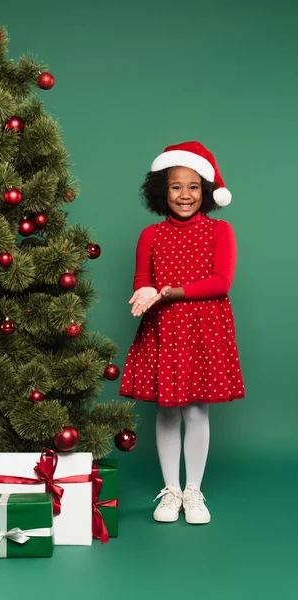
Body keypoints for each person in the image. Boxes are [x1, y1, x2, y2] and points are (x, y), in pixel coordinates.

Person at [119, 141, 244, 525]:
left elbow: (221, 282)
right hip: (165, 330)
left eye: (193, 186)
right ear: (162, 190)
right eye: (176, 186)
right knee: (168, 409)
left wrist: (172, 292)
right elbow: (143, 280)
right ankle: (171, 490)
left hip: (204, 329)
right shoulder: (150, 235)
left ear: (205, 192)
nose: (185, 195)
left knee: (195, 409)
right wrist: (144, 291)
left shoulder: (220, 231)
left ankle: (194, 492)